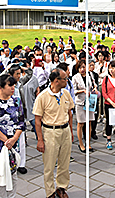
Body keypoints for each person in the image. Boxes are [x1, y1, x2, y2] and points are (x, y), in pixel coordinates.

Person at [33, 68, 75, 198]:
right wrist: (40, 139)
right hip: (50, 132)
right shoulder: (43, 97)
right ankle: (50, 192)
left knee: (64, 162)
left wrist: (71, 131)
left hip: (65, 131)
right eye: (65, 79)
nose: (67, 81)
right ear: (56, 81)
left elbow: (70, 113)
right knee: (49, 165)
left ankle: (61, 187)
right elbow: (37, 120)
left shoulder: (66, 94)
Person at [72, 60, 97, 152]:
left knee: (89, 122)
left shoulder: (90, 75)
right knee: (81, 123)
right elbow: (73, 91)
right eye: (80, 67)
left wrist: (94, 89)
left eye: (83, 67)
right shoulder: (75, 77)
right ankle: (81, 144)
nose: (82, 69)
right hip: (80, 102)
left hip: (89, 101)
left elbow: (94, 85)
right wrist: (82, 91)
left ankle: (88, 143)